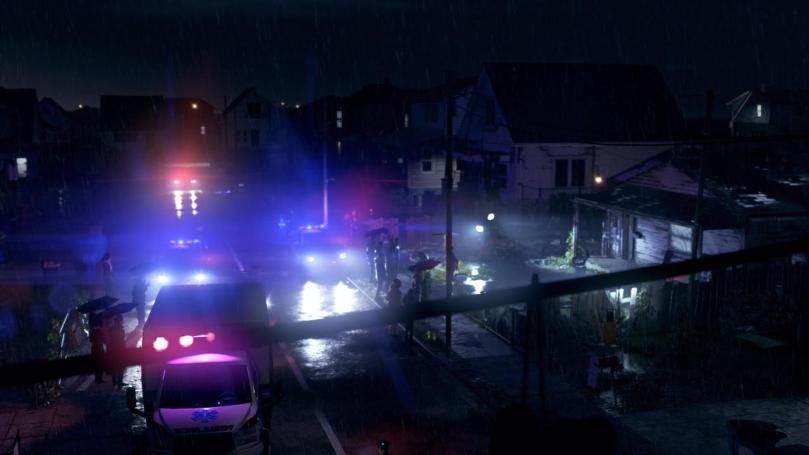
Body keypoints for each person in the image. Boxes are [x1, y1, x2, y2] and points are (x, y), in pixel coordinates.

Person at [106, 314, 126, 387]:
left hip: (113, 349)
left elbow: (109, 340)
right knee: (121, 366)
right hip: (120, 349)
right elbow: (122, 340)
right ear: (119, 321)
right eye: (121, 320)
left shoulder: (110, 329)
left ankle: (114, 380)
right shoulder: (121, 329)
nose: (122, 321)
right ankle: (119, 381)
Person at [89, 312, 106, 383]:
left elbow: (91, 339)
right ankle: (98, 378)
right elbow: (102, 339)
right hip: (98, 347)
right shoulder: (95, 330)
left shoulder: (93, 330)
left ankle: (98, 378)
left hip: (96, 347)